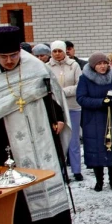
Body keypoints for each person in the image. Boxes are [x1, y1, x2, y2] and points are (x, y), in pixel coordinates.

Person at [0, 26, 72, 224]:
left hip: (42, 131)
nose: (9, 61)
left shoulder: (35, 66)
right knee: (18, 182)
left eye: (13, 55)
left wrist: (59, 117)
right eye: (3, 56)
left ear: (19, 51)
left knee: (49, 174)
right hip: (10, 139)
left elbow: (50, 92)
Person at [76, 52, 112, 191]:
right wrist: (101, 102)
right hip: (93, 120)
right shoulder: (85, 79)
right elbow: (81, 98)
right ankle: (99, 181)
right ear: (93, 66)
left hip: (111, 118)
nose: (103, 66)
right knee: (96, 150)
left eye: (104, 63)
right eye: (99, 64)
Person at [48, 40, 83, 181]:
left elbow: (79, 85)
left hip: (72, 106)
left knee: (73, 139)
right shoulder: (47, 67)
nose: (57, 54)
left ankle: (76, 170)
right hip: (56, 108)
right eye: (54, 51)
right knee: (58, 140)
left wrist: (61, 92)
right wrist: (56, 94)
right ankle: (60, 170)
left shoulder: (73, 65)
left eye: (60, 51)